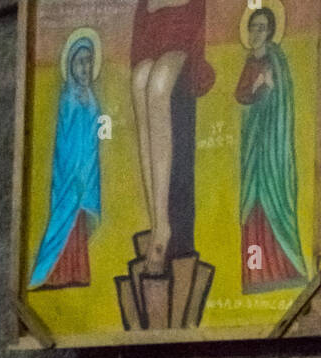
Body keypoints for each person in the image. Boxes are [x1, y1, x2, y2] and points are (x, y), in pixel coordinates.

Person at [131, 0, 215, 274]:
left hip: (183, 30)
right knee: (140, 80)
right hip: (154, 28)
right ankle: (157, 220)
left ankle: (163, 231)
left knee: (159, 83)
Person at [235, 5, 308, 293]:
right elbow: (241, 95)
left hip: (273, 147)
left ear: (271, 32)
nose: (256, 33)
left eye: (262, 28)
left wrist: (269, 87)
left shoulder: (276, 60)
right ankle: (256, 276)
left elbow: (284, 99)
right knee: (252, 204)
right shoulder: (249, 61)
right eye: (253, 27)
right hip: (253, 144)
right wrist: (255, 87)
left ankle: (285, 269)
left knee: (274, 198)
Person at [29, 30, 102, 290]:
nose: (85, 67)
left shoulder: (92, 98)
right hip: (69, 172)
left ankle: (77, 273)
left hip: (86, 170)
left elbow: (97, 134)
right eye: (80, 62)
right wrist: (74, 169)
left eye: (88, 61)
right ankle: (53, 273)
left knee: (78, 224)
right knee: (63, 219)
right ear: (70, 65)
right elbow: (66, 140)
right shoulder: (68, 98)